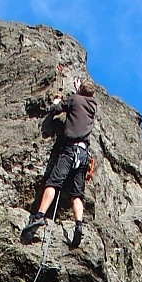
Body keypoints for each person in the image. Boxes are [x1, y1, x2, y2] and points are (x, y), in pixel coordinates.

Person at [26, 76, 98, 248]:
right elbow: (81, 101)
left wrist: (58, 100)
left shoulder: (74, 99)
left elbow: (57, 108)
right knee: (77, 193)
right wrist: (79, 88)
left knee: (53, 182)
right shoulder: (92, 107)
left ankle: (39, 216)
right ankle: (78, 224)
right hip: (83, 154)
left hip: (69, 150)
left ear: (80, 91)